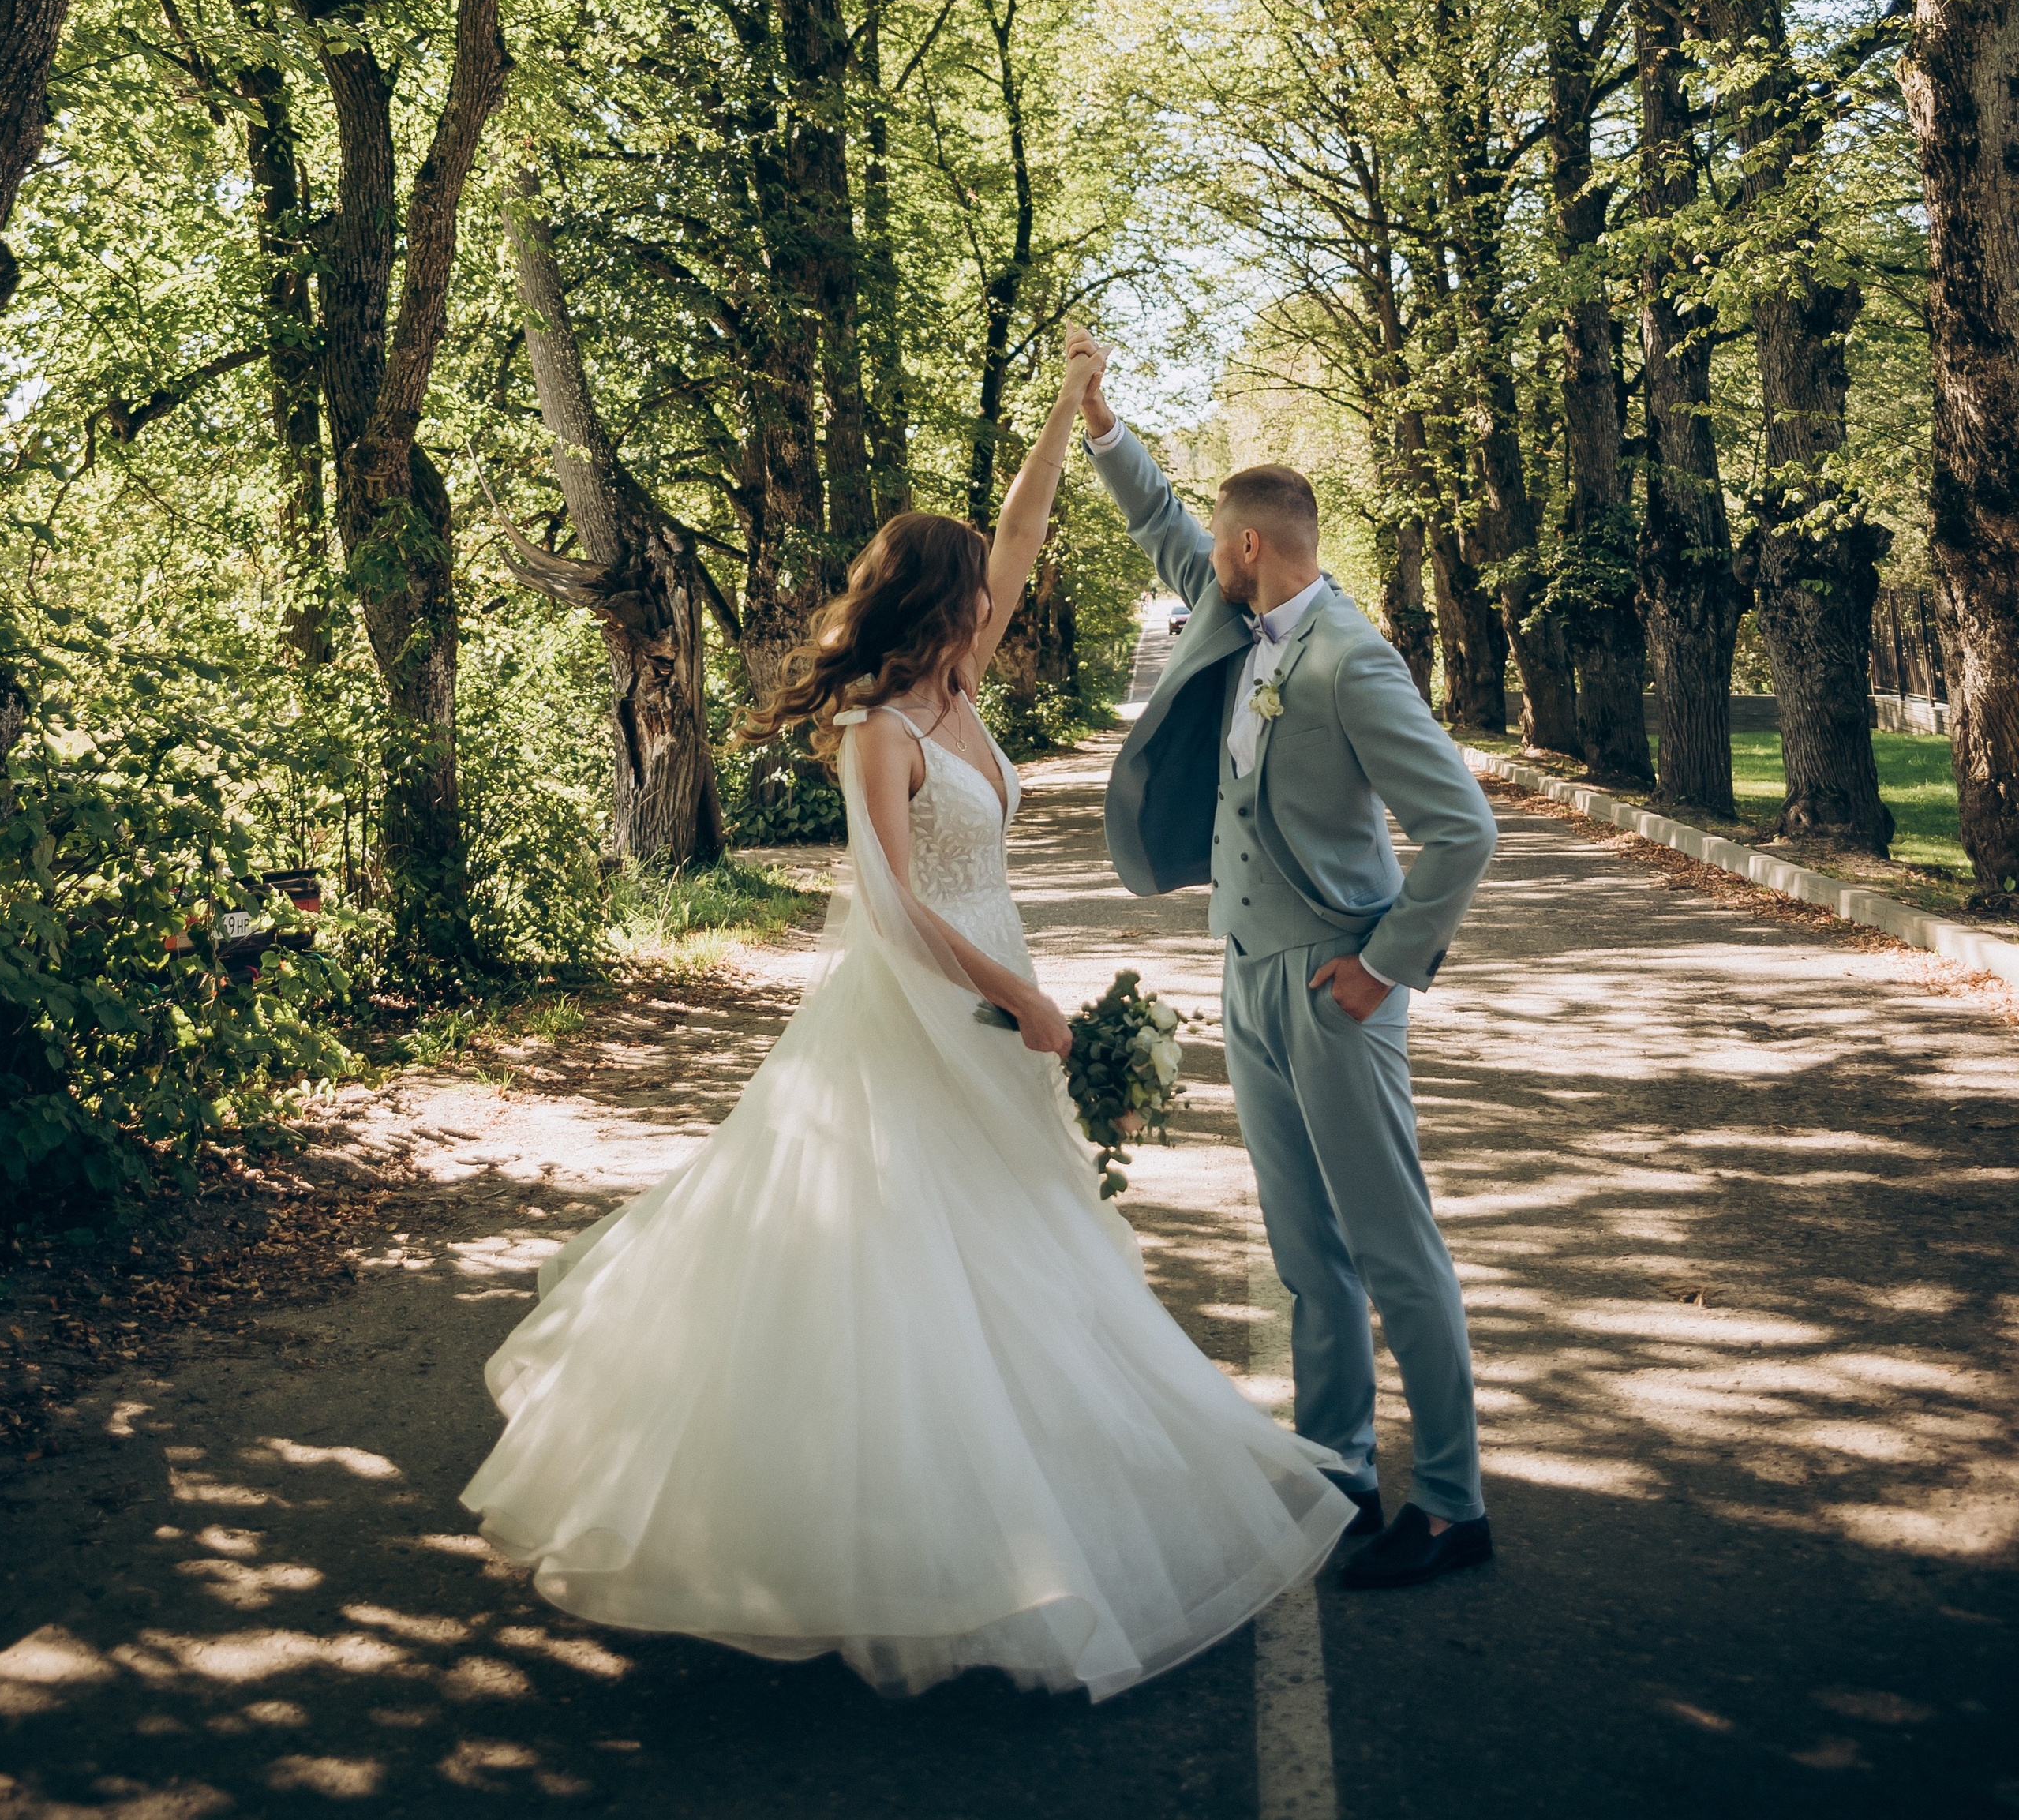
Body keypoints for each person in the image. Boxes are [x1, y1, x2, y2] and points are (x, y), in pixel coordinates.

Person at [460, 337, 1349, 1701]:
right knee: (912, 1267)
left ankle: (1027, 1513)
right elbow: (890, 910)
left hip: (997, 996)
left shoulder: (962, 684)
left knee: (1025, 1250)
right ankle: (889, 1544)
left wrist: (1070, 411)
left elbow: (1022, 527)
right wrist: (1018, 996)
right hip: (927, 1007)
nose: (998, 597)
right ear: (937, 603)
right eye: (977, 589)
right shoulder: (882, 729)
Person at [1071, 325, 1499, 1590]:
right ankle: (1337, 1471)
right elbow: (1160, 518)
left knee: (1392, 1246)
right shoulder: (1236, 613)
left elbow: (1463, 829)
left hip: (1336, 983)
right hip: (1248, 972)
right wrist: (1101, 424)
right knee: (1305, 1248)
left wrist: (1386, 968)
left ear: (1252, 547)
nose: (1203, 558)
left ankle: (1454, 1504)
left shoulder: (1353, 661)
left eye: (1219, 544)